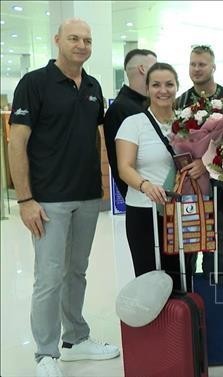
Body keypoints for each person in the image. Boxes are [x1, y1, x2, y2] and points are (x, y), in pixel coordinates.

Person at [8, 18, 120, 377]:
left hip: (87, 195)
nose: (82, 45)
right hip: (49, 199)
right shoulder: (34, 83)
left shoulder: (92, 85)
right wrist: (26, 200)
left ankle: (75, 338)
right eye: (74, 38)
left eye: (87, 39)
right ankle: (45, 353)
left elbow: (97, 136)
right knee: (49, 276)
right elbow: (17, 142)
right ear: (58, 41)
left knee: (77, 271)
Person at [116, 63, 203, 291]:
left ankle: (180, 325)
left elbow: (200, 157)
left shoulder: (188, 124)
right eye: (156, 85)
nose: (163, 90)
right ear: (147, 89)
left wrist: (201, 165)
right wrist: (145, 185)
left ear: (177, 87)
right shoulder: (133, 124)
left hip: (182, 211)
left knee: (182, 274)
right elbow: (124, 167)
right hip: (145, 210)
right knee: (149, 279)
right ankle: (154, 327)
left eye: (169, 84)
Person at [175, 45, 223, 273]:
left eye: (202, 64)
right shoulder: (180, 102)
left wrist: (208, 163)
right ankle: (191, 298)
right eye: (193, 64)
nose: (197, 69)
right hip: (191, 184)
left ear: (213, 67)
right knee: (191, 240)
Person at [103, 48, 157, 198]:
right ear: (142, 69)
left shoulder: (147, 104)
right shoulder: (122, 109)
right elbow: (121, 163)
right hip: (140, 194)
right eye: (156, 66)